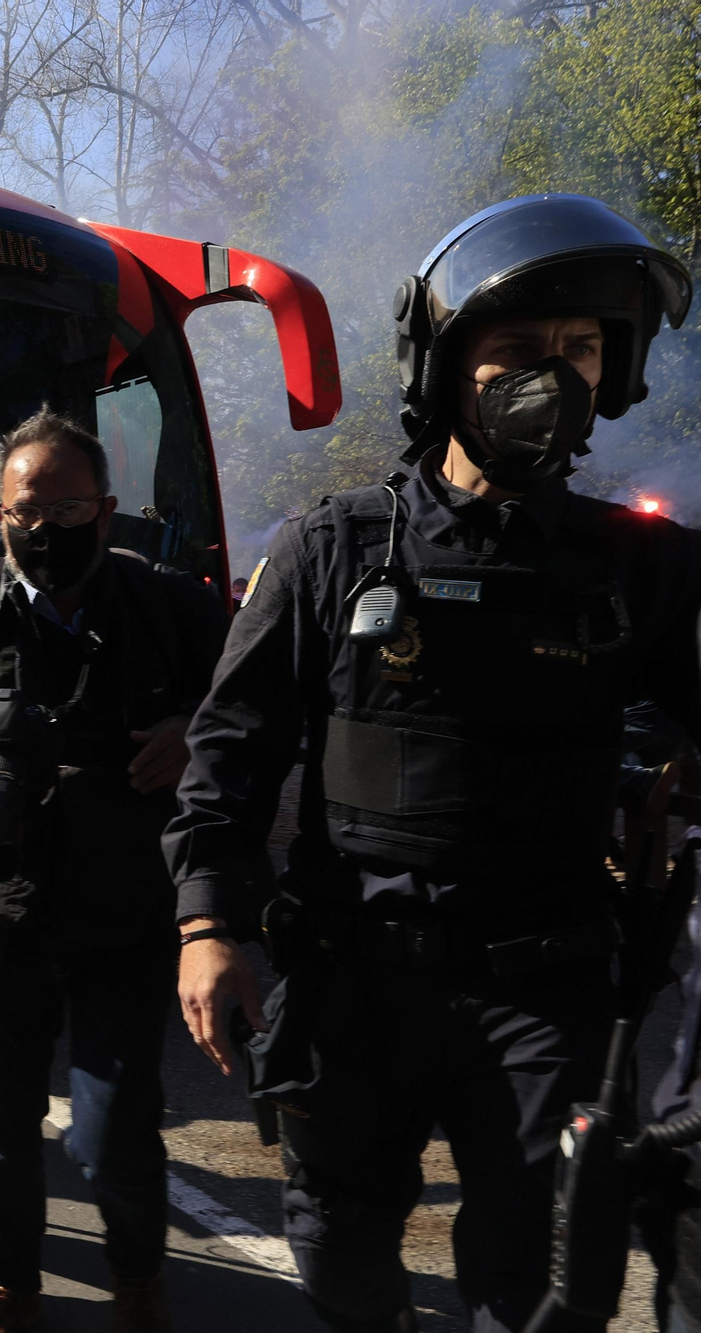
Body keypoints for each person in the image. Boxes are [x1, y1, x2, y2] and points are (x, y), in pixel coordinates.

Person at [167, 195, 701, 1333]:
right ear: (445, 361)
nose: (549, 377)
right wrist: (206, 922)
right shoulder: (333, 544)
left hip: (542, 987)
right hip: (352, 974)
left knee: (537, 1284)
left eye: (578, 350)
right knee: (339, 1259)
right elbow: (231, 745)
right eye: (517, 350)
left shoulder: (642, 569)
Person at [0, 411, 227, 1332]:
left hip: (127, 912)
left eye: (73, 507)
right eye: (34, 509)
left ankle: (138, 1284)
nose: (53, 528)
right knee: (3, 1123)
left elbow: (254, 701)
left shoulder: (167, 604)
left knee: (114, 1132)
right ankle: (6, 1285)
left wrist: (194, 731)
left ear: (107, 510)